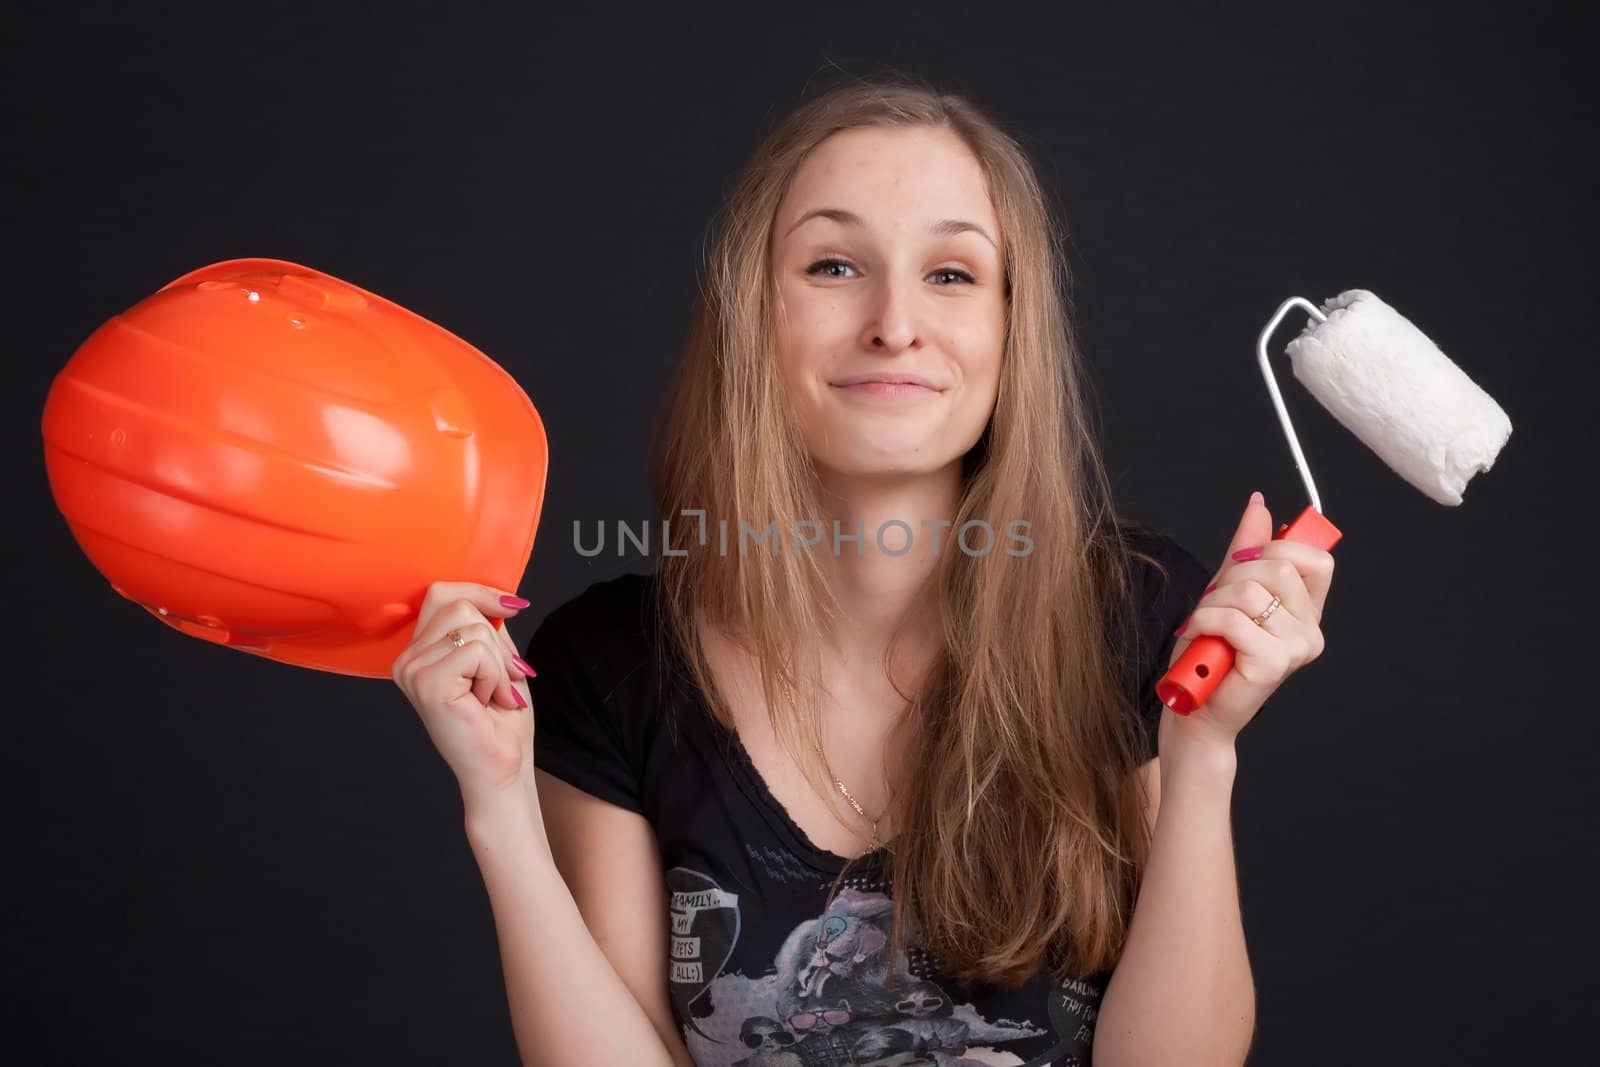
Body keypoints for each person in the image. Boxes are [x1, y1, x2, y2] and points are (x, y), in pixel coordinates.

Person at [392, 74, 1333, 1067]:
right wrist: (498, 811)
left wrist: (1201, 762)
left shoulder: (1133, 614)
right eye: (834, 265)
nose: (894, 322)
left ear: (1015, 327)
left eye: (952, 274)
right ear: (755, 313)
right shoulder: (609, 663)